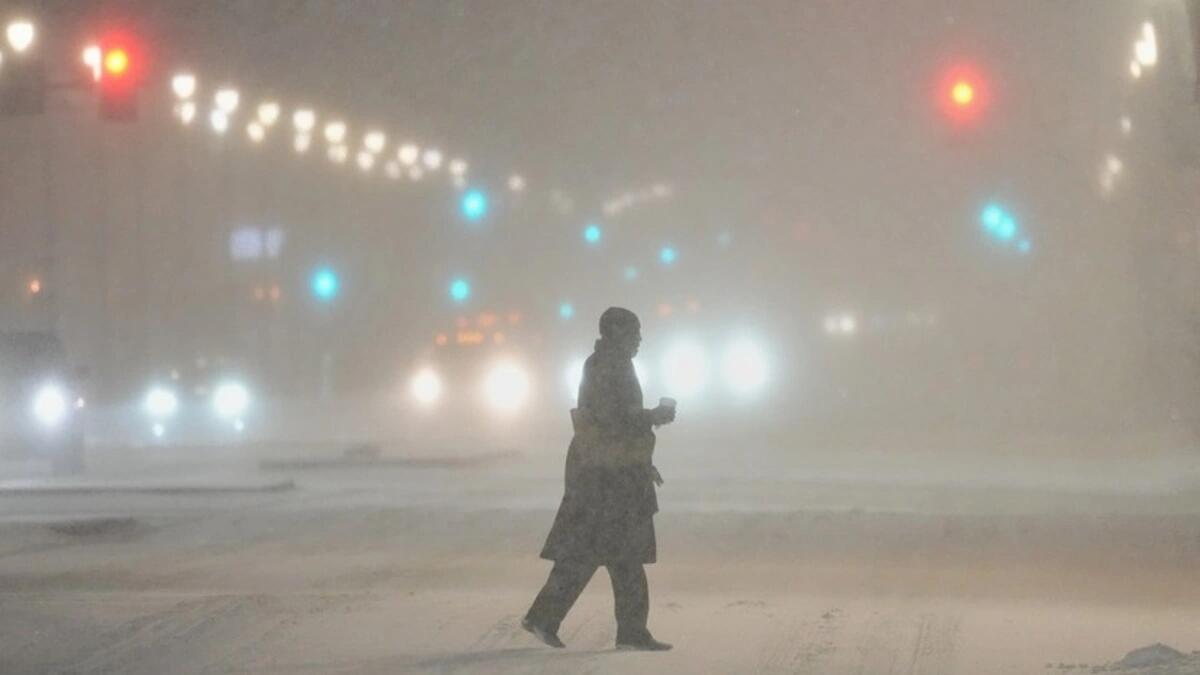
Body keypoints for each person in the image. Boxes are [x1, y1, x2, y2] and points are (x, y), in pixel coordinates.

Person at [522, 306, 676, 651]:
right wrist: (654, 416)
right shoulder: (610, 366)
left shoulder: (606, 363)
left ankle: (548, 618)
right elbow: (614, 419)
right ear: (616, 333)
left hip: (605, 473)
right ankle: (629, 632)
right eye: (633, 331)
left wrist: (642, 455)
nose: (639, 338)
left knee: (594, 553)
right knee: (618, 555)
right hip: (608, 479)